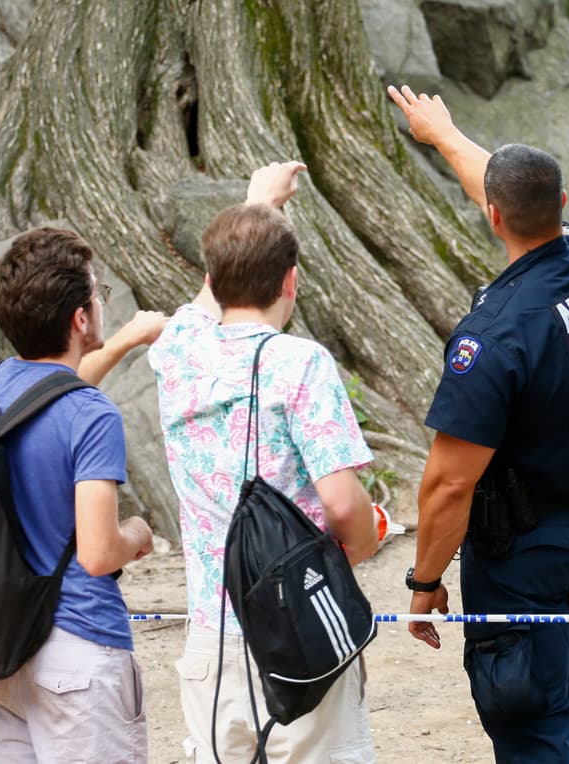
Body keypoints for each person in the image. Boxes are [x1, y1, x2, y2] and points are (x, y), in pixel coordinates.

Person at [388, 84, 569, 763]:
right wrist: (443, 136)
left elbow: (447, 486)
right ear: (561, 205)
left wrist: (425, 581)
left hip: (523, 559)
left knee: (534, 732)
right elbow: (504, 187)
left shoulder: (492, 340)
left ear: (494, 218)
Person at [147, 161, 381, 763]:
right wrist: (357, 544)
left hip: (211, 637)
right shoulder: (300, 364)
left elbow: (206, 298)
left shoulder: (177, 351)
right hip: (297, 629)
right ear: (292, 283)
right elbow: (342, 503)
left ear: (212, 276)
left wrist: (256, 205)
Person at [0, 226, 165, 763]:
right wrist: (137, 532)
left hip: (7, 651)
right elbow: (99, 552)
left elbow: (59, 385)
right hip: (80, 648)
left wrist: (126, 339)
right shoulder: (92, 415)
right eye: (97, 295)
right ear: (81, 318)